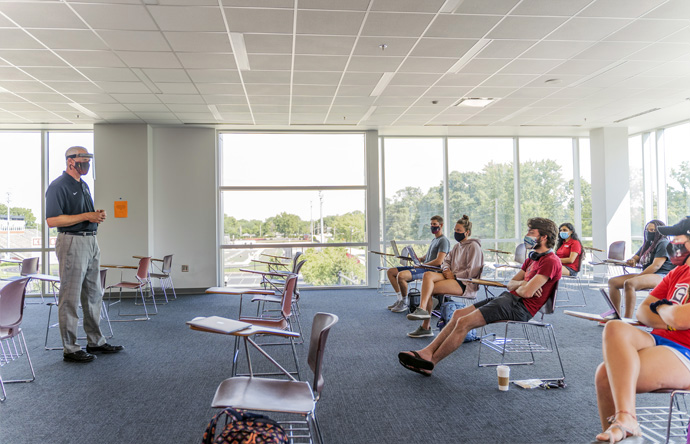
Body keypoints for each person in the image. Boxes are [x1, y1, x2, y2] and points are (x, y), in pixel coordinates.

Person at [398, 217, 561, 376]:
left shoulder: (550, 262)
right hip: (508, 298)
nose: (527, 235)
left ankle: (430, 362)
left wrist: (525, 286)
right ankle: (426, 351)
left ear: (544, 237)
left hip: (520, 307)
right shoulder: (532, 260)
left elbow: (526, 294)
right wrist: (524, 283)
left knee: (463, 322)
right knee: (458, 314)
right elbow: (511, 284)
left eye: (531, 232)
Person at [593, 216, 690, 443]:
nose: (672, 242)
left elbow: (681, 318)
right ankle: (625, 420)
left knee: (605, 375)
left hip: (686, 351)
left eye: (678, 236)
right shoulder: (677, 273)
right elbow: (643, 312)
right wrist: (669, 318)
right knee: (615, 327)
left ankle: (625, 422)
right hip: (661, 340)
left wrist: (665, 308)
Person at [46, 146, 123, 363]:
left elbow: (82, 215)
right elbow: (53, 220)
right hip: (71, 241)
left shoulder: (83, 185)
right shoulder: (58, 186)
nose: (87, 163)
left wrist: (95, 215)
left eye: (89, 159)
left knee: (93, 294)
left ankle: (95, 341)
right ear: (70, 161)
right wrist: (86, 216)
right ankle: (70, 348)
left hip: (90, 241)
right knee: (70, 297)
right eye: (83, 159)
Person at [406, 215, 484, 338]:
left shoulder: (473, 246)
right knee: (427, 276)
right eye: (455, 230)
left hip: (464, 282)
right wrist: (447, 269)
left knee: (429, 289)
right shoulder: (457, 246)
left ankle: (425, 327)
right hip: (450, 276)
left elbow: (472, 271)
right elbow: (446, 261)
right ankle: (422, 309)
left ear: (467, 232)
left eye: (459, 231)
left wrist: (454, 274)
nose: (456, 233)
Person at [608, 219, 674, 319]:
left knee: (630, 283)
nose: (649, 232)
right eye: (647, 230)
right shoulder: (648, 244)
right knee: (612, 282)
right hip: (648, 274)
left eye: (653, 230)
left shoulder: (663, 243)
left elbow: (656, 266)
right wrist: (632, 261)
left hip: (662, 275)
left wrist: (639, 276)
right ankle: (616, 314)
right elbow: (635, 258)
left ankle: (627, 319)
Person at [387, 215, 450, 313]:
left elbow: (439, 261)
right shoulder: (435, 240)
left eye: (434, 224)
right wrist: (418, 259)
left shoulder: (443, 241)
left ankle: (404, 302)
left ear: (441, 225)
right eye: (431, 224)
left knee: (401, 276)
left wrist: (422, 265)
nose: (432, 226)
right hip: (423, 266)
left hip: (430, 270)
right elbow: (429, 255)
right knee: (391, 271)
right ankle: (400, 299)